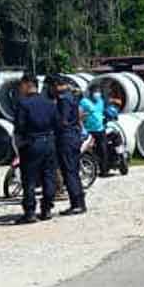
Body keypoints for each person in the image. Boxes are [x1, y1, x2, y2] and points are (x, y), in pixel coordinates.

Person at [13, 74, 58, 224]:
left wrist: (20, 143)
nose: (20, 89)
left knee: (29, 178)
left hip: (32, 142)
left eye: (21, 86)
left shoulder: (23, 103)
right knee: (48, 176)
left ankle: (30, 211)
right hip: (49, 142)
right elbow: (56, 123)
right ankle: (47, 209)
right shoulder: (49, 103)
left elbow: (20, 125)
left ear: (27, 85)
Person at [53, 77, 86, 215]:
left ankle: (76, 204)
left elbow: (63, 121)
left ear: (57, 85)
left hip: (66, 138)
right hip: (74, 136)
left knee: (69, 172)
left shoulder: (64, 100)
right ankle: (79, 203)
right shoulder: (72, 97)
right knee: (73, 171)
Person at [79, 85, 108, 176]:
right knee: (86, 149)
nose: (97, 94)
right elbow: (79, 113)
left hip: (100, 129)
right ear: (90, 93)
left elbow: (101, 113)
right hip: (88, 130)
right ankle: (88, 167)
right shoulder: (84, 102)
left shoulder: (101, 101)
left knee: (103, 149)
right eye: (95, 92)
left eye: (98, 92)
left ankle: (104, 170)